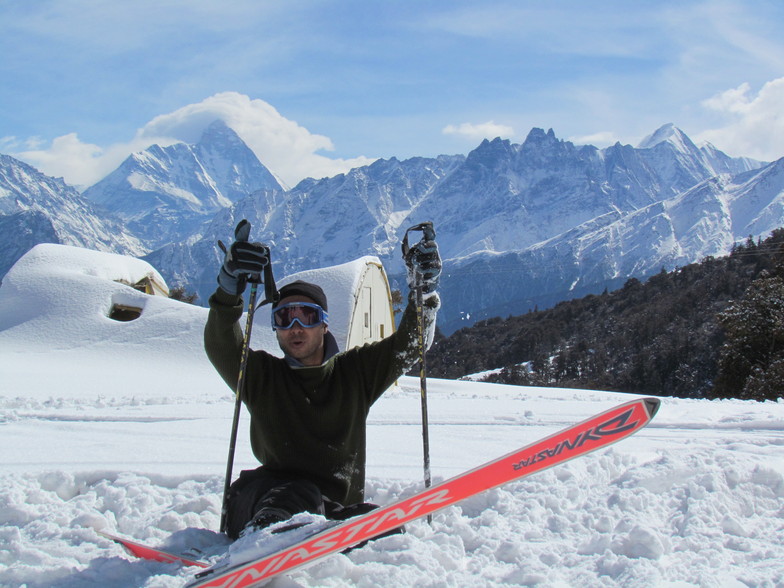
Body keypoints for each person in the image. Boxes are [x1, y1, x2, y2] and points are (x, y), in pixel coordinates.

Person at [204, 223, 441, 539]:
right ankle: (264, 543)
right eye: (285, 318)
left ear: (325, 325)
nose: (296, 327)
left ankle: (303, 543)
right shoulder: (262, 376)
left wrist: (422, 292)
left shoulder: (354, 374)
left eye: (308, 316)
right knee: (299, 495)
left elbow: (412, 345)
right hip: (258, 501)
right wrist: (229, 288)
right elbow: (220, 342)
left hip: (327, 510)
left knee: (382, 524)